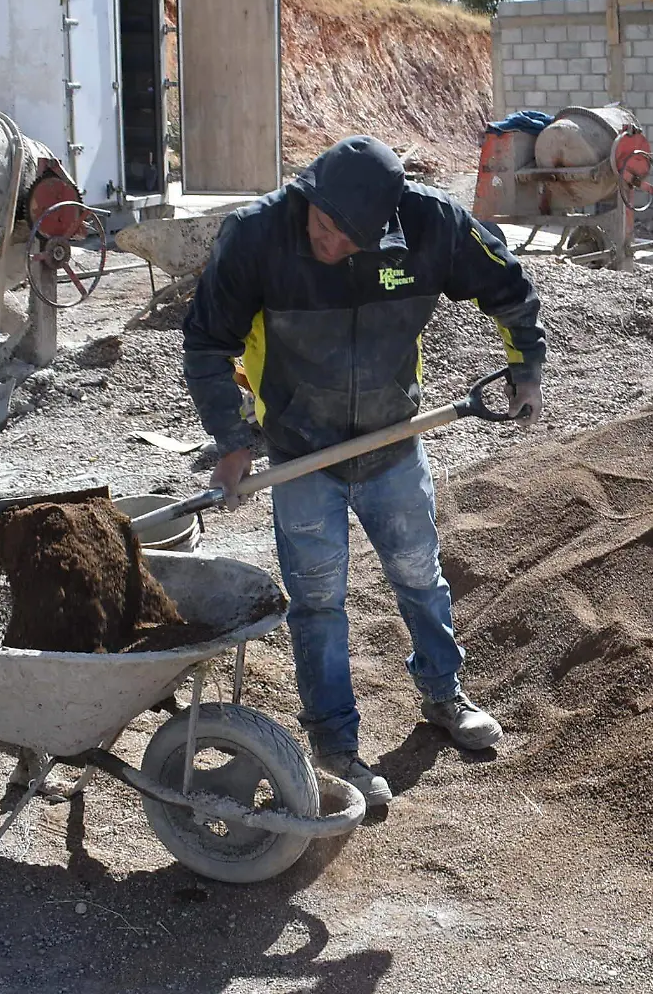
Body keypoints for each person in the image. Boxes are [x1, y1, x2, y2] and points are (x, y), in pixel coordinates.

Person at [181, 135, 547, 806]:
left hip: (394, 443)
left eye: (352, 240)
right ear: (308, 197)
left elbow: (509, 287)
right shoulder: (256, 235)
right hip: (301, 454)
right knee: (319, 604)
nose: (332, 246)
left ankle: (444, 694)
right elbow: (207, 342)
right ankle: (336, 747)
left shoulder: (432, 226)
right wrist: (232, 441)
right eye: (323, 228)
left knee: (420, 578)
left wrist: (525, 365)